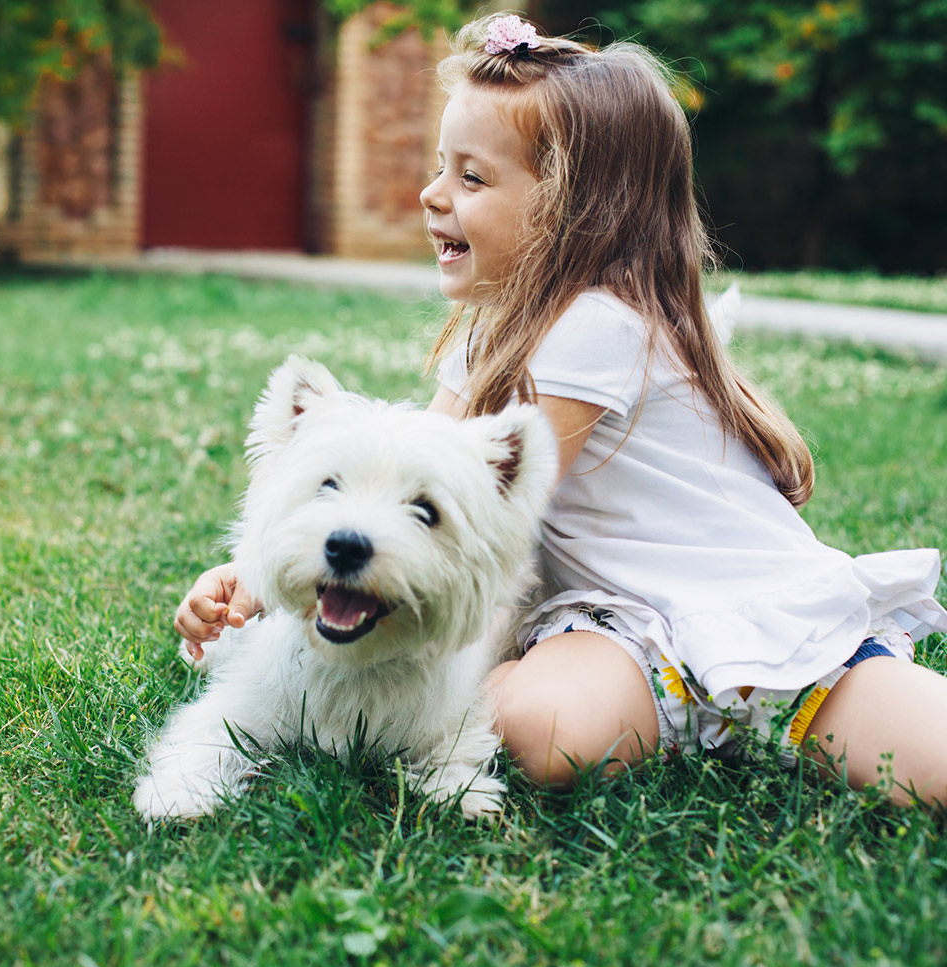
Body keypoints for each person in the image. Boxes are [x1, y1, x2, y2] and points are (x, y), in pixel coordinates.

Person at [173, 15, 947, 805]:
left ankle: (776, 710)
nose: (431, 193)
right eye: (442, 167)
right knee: (545, 734)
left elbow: (479, 526)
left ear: (577, 209)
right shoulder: (490, 333)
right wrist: (257, 580)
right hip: (622, 632)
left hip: (757, 619)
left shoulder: (596, 325)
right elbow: (407, 486)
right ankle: (664, 722)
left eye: (472, 179)